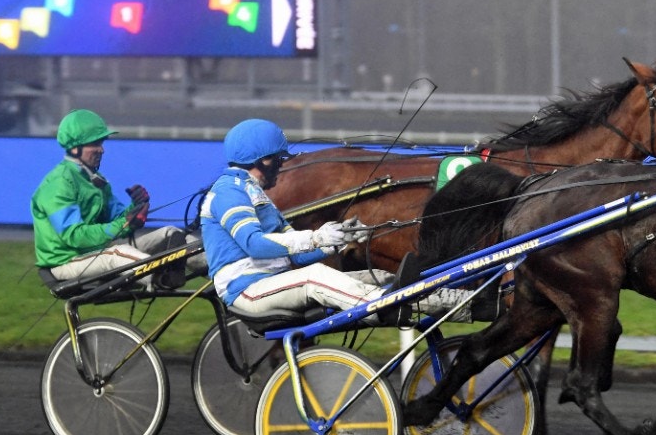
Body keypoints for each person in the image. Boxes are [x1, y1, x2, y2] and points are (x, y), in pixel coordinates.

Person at [201, 118, 474, 320]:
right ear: (263, 160)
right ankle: (384, 305)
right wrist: (316, 237)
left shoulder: (257, 195)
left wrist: (338, 241)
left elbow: (296, 257)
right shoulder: (228, 192)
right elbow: (255, 245)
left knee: (380, 276)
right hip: (245, 290)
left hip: (272, 282)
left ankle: (454, 303)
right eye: (279, 159)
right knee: (316, 277)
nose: (283, 165)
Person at [32, 109, 187, 288]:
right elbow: (74, 236)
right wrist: (124, 224)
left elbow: (117, 219)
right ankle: (161, 277)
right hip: (66, 263)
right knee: (117, 254)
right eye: (95, 143)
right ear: (75, 148)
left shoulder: (96, 179)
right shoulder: (59, 183)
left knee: (170, 233)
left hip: (96, 254)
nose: (102, 149)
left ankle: (213, 273)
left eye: (102, 142)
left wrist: (136, 207)